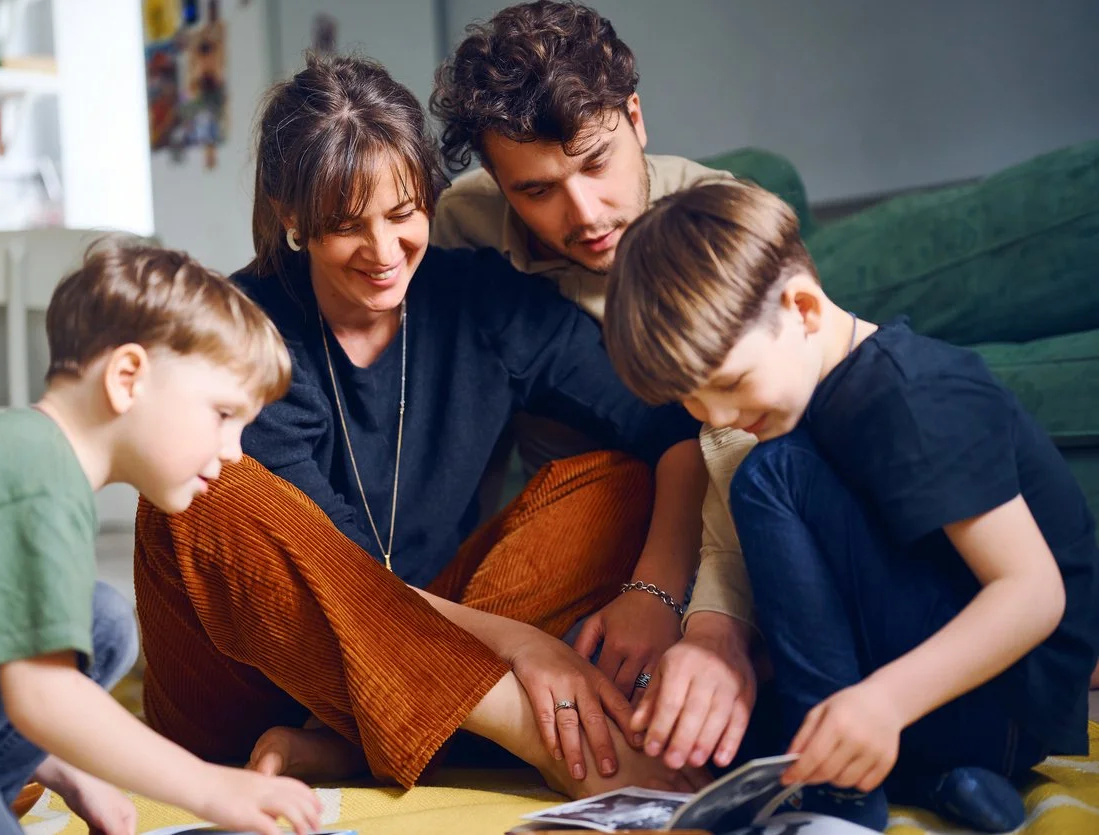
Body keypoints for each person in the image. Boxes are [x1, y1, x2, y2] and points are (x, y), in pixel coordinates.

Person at [133, 52, 711, 799]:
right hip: (245, 683)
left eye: (403, 214)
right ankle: (512, 724)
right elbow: (333, 574)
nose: (382, 253)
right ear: (290, 218)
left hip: (434, 630)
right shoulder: (235, 332)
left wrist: (655, 594)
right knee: (202, 488)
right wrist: (521, 646)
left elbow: (670, 425)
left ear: (429, 197)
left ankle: (350, 743)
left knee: (612, 481)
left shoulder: (481, 298)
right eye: (345, 227)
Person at [602, 179, 1099, 832]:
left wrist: (882, 702)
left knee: (766, 476)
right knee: (687, 733)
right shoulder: (812, 401)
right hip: (943, 705)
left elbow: (1032, 593)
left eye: (729, 382)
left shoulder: (911, 392)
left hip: (1002, 697)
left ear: (802, 308)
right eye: (691, 402)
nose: (718, 417)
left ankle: (839, 791)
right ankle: (933, 776)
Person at [0, 244, 322, 835]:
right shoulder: (28, 477)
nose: (234, 452)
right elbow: (40, 694)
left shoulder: (37, 462)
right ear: (127, 379)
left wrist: (73, 771)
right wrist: (209, 786)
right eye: (224, 415)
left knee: (100, 621)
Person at [430, 0, 761, 777]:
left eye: (594, 163)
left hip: (715, 521)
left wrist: (685, 608)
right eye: (535, 190)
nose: (582, 214)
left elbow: (743, 451)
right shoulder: (466, 223)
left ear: (635, 118)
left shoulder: (724, 224)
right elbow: (461, 422)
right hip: (565, 518)